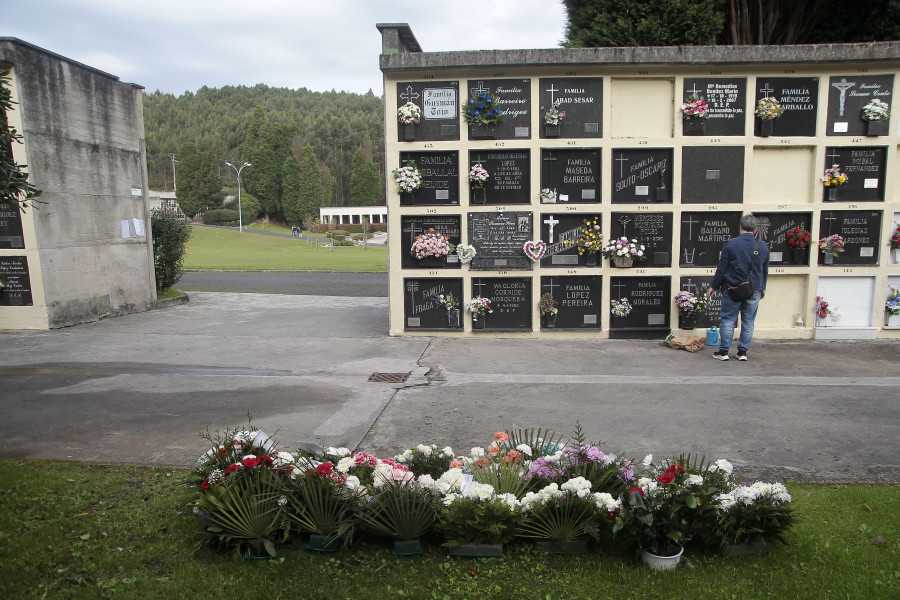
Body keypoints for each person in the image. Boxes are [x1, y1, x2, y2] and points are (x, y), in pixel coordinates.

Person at [706, 214, 770, 362]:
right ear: (755, 229)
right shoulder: (762, 246)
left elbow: (722, 268)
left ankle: (724, 352)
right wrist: (763, 287)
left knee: (728, 319)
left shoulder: (731, 244)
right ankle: (742, 352)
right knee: (748, 321)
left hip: (732, 288)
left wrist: (713, 286)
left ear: (740, 226)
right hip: (754, 288)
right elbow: (764, 269)